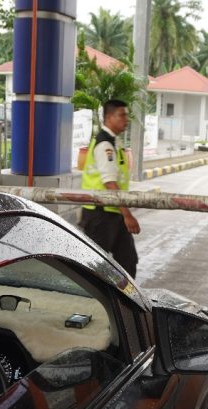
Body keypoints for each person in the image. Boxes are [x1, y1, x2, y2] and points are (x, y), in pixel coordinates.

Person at [80, 99, 140, 277]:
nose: (126, 119)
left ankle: (126, 301)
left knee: (128, 260)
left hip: (114, 211)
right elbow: (110, 183)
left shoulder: (114, 142)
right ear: (108, 118)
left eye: (127, 115)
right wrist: (128, 215)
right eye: (122, 115)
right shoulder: (104, 144)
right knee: (96, 265)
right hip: (100, 214)